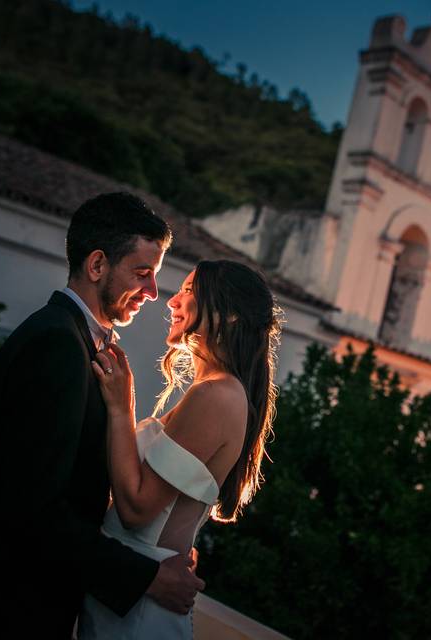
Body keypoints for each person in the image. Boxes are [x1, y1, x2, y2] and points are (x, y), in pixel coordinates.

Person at [0, 193, 203, 639]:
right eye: (142, 273)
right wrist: (147, 577)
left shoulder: (77, 342)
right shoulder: (55, 345)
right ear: (97, 266)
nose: (153, 292)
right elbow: (34, 510)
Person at [77, 259, 281, 639]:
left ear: (230, 315)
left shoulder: (216, 395)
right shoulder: (215, 392)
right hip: (128, 592)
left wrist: (121, 407)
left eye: (188, 291)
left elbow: (137, 509)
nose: (172, 302)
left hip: (138, 609)